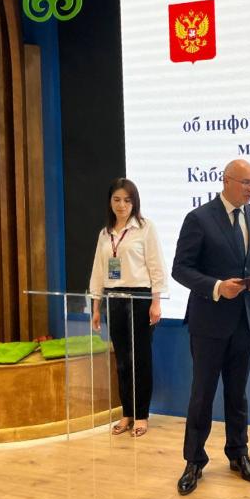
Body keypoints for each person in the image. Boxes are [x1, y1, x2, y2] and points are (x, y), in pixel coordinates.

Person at [172, 159, 250, 496]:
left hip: (246, 319)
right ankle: (194, 461)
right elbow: (181, 268)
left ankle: (238, 454)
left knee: (237, 393)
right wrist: (217, 287)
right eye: (246, 182)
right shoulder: (199, 218)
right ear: (226, 181)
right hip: (209, 321)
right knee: (202, 394)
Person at [89, 177, 168, 438]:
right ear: (110, 202)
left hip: (140, 298)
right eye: (116, 199)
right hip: (114, 299)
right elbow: (98, 271)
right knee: (122, 360)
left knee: (140, 359)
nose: (121, 205)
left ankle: (142, 415)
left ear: (134, 202)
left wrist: (156, 302)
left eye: (127, 200)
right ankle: (127, 413)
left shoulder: (145, 228)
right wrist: (96, 305)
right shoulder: (105, 233)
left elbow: (156, 266)